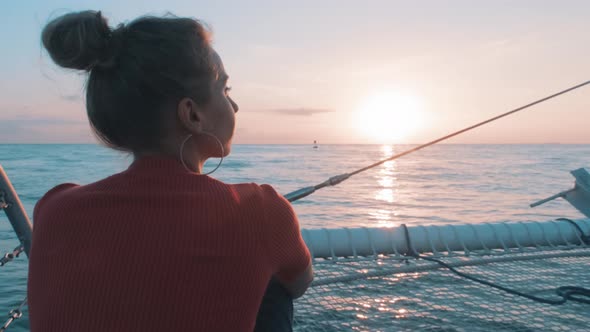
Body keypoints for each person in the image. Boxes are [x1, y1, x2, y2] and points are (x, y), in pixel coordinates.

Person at [27, 10, 313, 332]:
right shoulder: (261, 210)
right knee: (274, 289)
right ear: (191, 114)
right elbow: (300, 282)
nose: (234, 107)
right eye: (225, 90)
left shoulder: (54, 209)